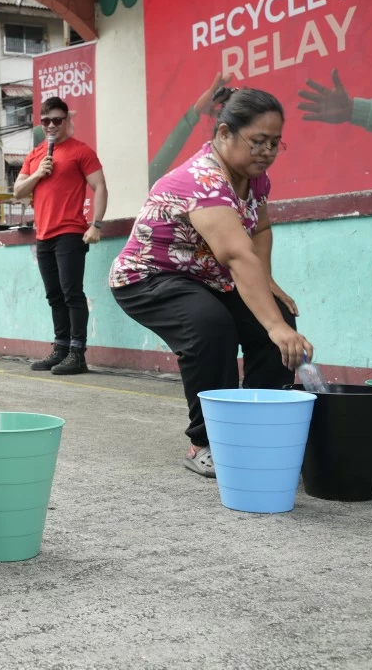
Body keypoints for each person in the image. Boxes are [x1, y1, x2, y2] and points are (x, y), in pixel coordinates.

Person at [110, 87, 313, 478]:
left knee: (278, 318)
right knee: (211, 325)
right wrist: (273, 325)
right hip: (148, 277)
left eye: (274, 143)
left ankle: (260, 430)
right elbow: (236, 255)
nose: (267, 151)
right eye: (257, 141)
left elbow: (261, 229)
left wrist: (268, 289)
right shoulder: (202, 179)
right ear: (224, 134)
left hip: (202, 277)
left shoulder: (254, 178)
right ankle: (206, 442)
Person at [12, 97, 108, 376]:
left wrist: (96, 225)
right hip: (43, 235)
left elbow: (100, 186)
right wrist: (38, 174)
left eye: (57, 120)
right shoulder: (37, 153)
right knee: (54, 295)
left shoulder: (81, 151)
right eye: (46, 121)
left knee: (71, 293)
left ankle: (78, 353)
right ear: (41, 123)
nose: (52, 125)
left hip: (70, 231)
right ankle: (61, 348)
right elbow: (18, 191)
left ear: (67, 120)